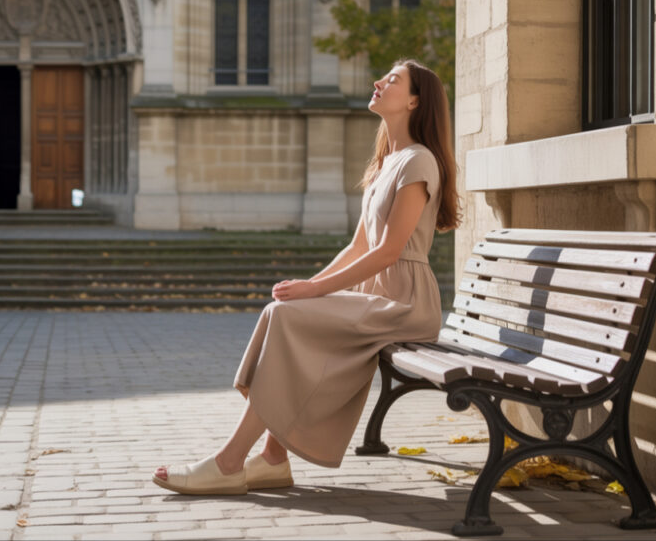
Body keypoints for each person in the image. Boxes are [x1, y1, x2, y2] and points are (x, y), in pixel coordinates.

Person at [153, 59, 460, 495]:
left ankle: (229, 462)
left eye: (392, 80)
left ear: (414, 101)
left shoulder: (418, 161)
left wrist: (315, 290)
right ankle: (274, 459)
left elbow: (389, 251)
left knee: (287, 319)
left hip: (405, 303)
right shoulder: (386, 163)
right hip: (378, 296)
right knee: (284, 309)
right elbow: (356, 247)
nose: (379, 82)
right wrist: (308, 288)